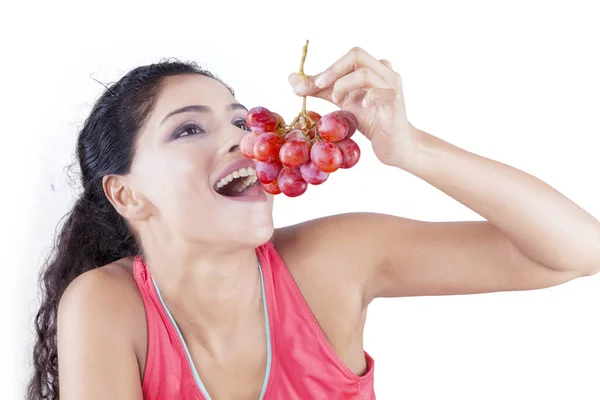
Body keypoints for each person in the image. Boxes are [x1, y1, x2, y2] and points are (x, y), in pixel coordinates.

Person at [28, 47, 600, 400]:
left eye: (239, 120)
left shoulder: (333, 261)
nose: (243, 138)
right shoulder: (106, 306)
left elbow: (577, 251)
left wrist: (412, 149)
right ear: (127, 194)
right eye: (187, 130)